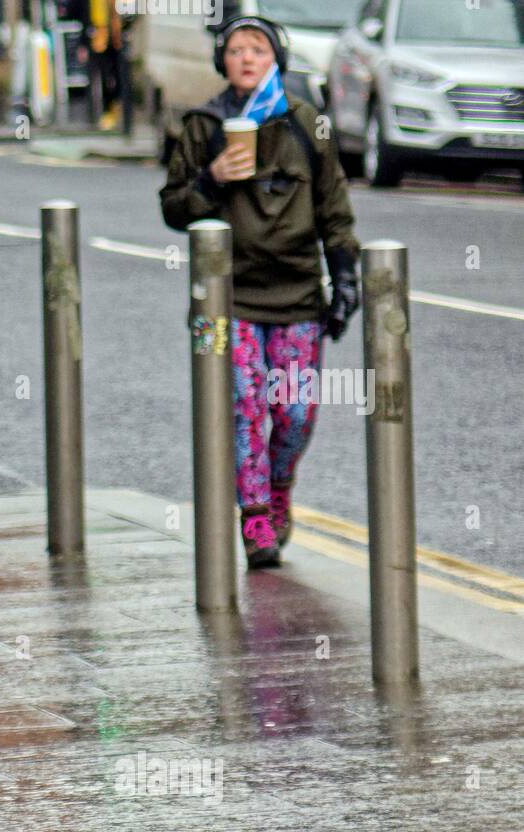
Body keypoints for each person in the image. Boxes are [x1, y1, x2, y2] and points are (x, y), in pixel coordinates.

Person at [160, 14, 360, 569]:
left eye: (259, 50)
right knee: (243, 406)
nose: (247, 59)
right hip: (228, 300)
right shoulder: (204, 125)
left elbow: (335, 212)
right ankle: (253, 516)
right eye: (237, 50)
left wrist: (344, 277)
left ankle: (277, 489)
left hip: (297, 294)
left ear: (277, 59)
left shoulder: (306, 124)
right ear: (222, 60)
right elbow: (173, 208)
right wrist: (212, 179)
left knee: (293, 412)